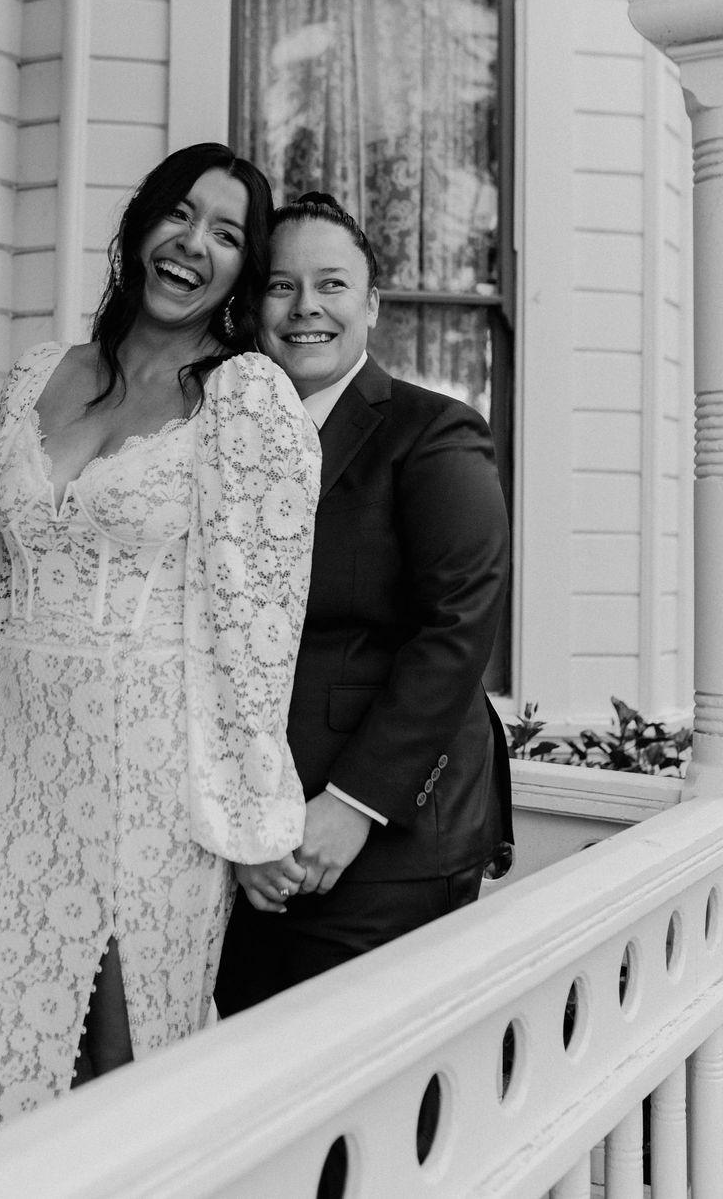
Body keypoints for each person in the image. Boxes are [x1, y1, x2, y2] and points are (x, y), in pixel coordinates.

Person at [0, 144, 320, 1162]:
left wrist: (252, 811)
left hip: (151, 781)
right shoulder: (37, 374)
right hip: (15, 771)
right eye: (180, 213)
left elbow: (259, 626)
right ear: (139, 224)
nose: (194, 244)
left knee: (126, 1064)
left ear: (242, 269)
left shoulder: (246, 398)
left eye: (227, 233)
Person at [215, 190, 513, 1015]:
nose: (305, 306)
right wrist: (242, 823)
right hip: (250, 844)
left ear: (372, 304)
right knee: (253, 1068)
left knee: (363, 1078)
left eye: (332, 283)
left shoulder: (434, 433)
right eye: (280, 285)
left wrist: (351, 807)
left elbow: (458, 629)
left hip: (386, 846)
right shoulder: (225, 441)